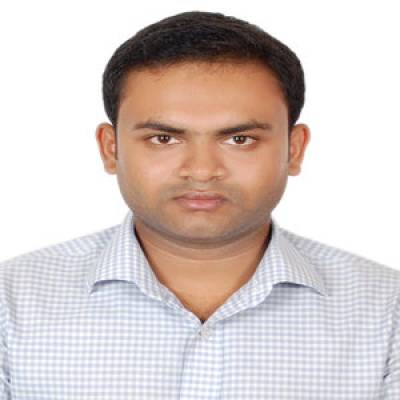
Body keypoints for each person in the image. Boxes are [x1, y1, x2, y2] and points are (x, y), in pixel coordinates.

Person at [0, 10, 398, 399]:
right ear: (111, 148)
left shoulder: (388, 311)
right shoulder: (10, 303)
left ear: (294, 150)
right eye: (163, 139)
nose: (203, 170)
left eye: (239, 139)